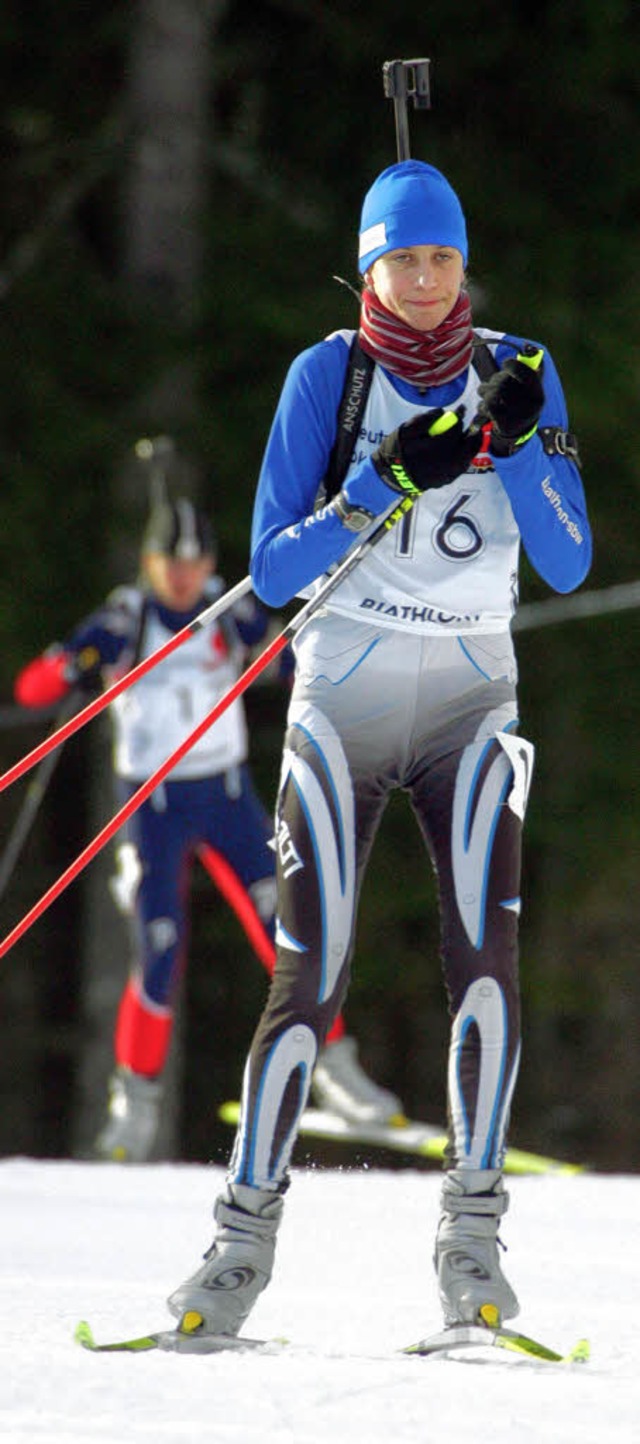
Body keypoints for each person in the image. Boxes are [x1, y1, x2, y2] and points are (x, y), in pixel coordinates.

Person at [166, 154, 591, 1344]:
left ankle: (473, 1253)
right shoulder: (328, 376)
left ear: (465, 261)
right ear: (366, 266)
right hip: (339, 704)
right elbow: (270, 572)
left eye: (441, 256)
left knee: (487, 959)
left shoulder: (522, 373)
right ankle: (236, 1256)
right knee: (309, 973)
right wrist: (383, 482)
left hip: (470, 702)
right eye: (399, 258)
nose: (421, 279)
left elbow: (565, 558)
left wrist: (510, 448)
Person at [14, 496, 404, 1162]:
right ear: (150, 562)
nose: (185, 577)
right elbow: (35, 688)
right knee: (159, 950)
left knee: (291, 928)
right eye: (173, 563)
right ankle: (134, 1105)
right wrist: (70, 668)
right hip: (153, 809)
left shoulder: (230, 609)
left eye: (196, 563)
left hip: (225, 800)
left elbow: (288, 661)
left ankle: (335, 1069)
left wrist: (305, 657)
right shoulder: (126, 619)